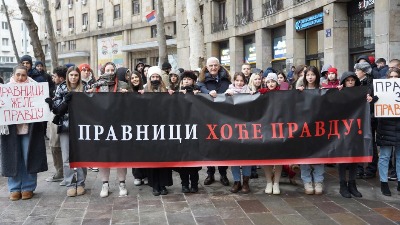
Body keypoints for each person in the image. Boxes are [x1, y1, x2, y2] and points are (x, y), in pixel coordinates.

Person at [1, 65, 48, 201]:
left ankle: (28, 187)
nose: (21, 78)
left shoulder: (35, 88)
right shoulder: (6, 89)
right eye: (18, 75)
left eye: (23, 75)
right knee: (13, 158)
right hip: (11, 130)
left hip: (29, 129)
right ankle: (14, 188)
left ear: (27, 75)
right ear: (14, 75)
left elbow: (42, 107)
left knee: (29, 156)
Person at [89, 62, 129, 197]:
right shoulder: (96, 86)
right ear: (103, 71)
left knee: (121, 156)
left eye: (112, 70)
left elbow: (130, 104)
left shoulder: (123, 85)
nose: (110, 72)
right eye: (108, 70)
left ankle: (122, 183)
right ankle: (105, 184)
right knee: (103, 156)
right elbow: (90, 104)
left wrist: (127, 96)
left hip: (119, 125)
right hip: (102, 126)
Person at [50, 66, 87, 197]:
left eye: (76, 75)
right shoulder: (61, 88)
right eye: (71, 75)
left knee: (81, 156)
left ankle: (81, 183)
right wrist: (65, 102)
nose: (73, 77)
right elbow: (57, 109)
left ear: (79, 76)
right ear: (67, 76)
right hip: (65, 126)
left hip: (82, 127)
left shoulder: (85, 87)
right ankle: (70, 183)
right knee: (66, 157)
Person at [197, 57, 231, 186]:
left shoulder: (226, 78)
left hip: (223, 117)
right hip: (208, 117)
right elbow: (200, 87)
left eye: (215, 65)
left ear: (219, 66)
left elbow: (231, 88)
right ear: (206, 67)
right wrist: (208, 92)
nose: (213, 68)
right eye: (210, 65)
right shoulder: (202, 79)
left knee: (223, 146)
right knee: (210, 146)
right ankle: (210, 174)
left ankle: (223, 174)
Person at [145, 66, 173, 196]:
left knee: (164, 157)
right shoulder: (145, 90)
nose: (155, 79)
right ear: (150, 78)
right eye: (153, 77)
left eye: (157, 77)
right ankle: (154, 185)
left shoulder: (165, 90)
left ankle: (163, 184)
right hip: (150, 129)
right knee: (152, 158)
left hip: (164, 128)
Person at [336, 71, 365, 198]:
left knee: (355, 157)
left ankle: (352, 184)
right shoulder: (340, 92)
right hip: (342, 130)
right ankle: (343, 185)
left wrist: (370, 98)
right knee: (343, 158)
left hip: (356, 129)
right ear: (343, 82)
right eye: (347, 80)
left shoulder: (360, 93)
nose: (350, 82)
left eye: (352, 80)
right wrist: (338, 92)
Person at [297, 66, 325, 195]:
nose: (310, 77)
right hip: (304, 128)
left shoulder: (322, 89)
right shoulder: (300, 90)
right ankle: (307, 181)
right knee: (305, 156)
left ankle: (319, 181)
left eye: (312, 75)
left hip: (319, 128)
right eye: (307, 75)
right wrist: (297, 93)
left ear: (316, 76)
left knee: (319, 155)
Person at [225, 73, 252, 193]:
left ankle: (246, 181)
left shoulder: (249, 91)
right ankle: (237, 181)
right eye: (237, 80)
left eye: (241, 81)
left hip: (247, 127)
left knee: (246, 155)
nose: (239, 83)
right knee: (234, 155)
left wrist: (252, 95)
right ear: (234, 81)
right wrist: (227, 95)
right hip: (233, 128)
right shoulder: (229, 91)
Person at [175, 70, 201, 193]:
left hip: (195, 130)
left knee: (194, 160)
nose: (186, 81)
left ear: (193, 81)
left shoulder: (198, 93)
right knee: (183, 159)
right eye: (184, 79)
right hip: (181, 130)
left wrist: (197, 95)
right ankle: (184, 183)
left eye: (189, 79)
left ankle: (194, 183)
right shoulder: (177, 92)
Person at [376, 67, 400, 196]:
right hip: (385, 127)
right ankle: (384, 183)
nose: (394, 79)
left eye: (396, 76)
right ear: (387, 78)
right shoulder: (381, 90)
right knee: (385, 156)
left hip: (398, 127)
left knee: (399, 157)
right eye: (391, 76)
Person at [354, 61, 378, 179]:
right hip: (358, 117)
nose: (355, 73)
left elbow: (377, 100)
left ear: (363, 72)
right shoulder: (355, 83)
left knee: (371, 143)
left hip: (370, 117)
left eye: (357, 70)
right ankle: (359, 168)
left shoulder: (373, 84)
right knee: (358, 142)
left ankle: (371, 169)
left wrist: (373, 99)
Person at [260, 73, 283, 195]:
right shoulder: (262, 93)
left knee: (279, 157)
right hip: (265, 128)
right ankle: (269, 181)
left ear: (276, 82)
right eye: (268, 82)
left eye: (273, 81)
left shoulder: (283, 94)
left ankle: (276, 182)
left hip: (279, 128)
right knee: (266, 156)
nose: (271, 84)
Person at [45, 66, 68, 184]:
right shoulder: (58, 86)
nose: (53, 78)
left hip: (59, 119)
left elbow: (60, 106)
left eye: (54, 76)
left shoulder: (64, 87)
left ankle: (61, 172)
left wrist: (52, 104)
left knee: (55, 146)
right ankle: (62, 172)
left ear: (61, 77)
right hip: (55, 118)